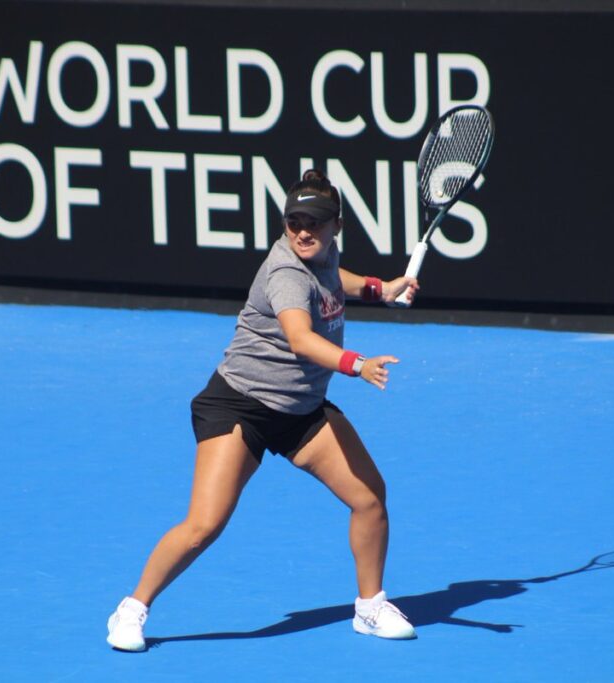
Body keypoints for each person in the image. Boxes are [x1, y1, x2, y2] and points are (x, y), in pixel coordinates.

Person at [107, 169, 421, 652]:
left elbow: (336, 279)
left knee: (369, 498)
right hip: (241, 406)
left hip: (300, 409)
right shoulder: (286, 273)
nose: (302, 231)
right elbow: (300, 337)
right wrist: (356, 365)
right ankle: (131, 609)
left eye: (314, 222)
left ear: (336, 226)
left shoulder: (322, 254)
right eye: (294, 221)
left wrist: (383, 288)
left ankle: (370, 606)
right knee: (204, 525)